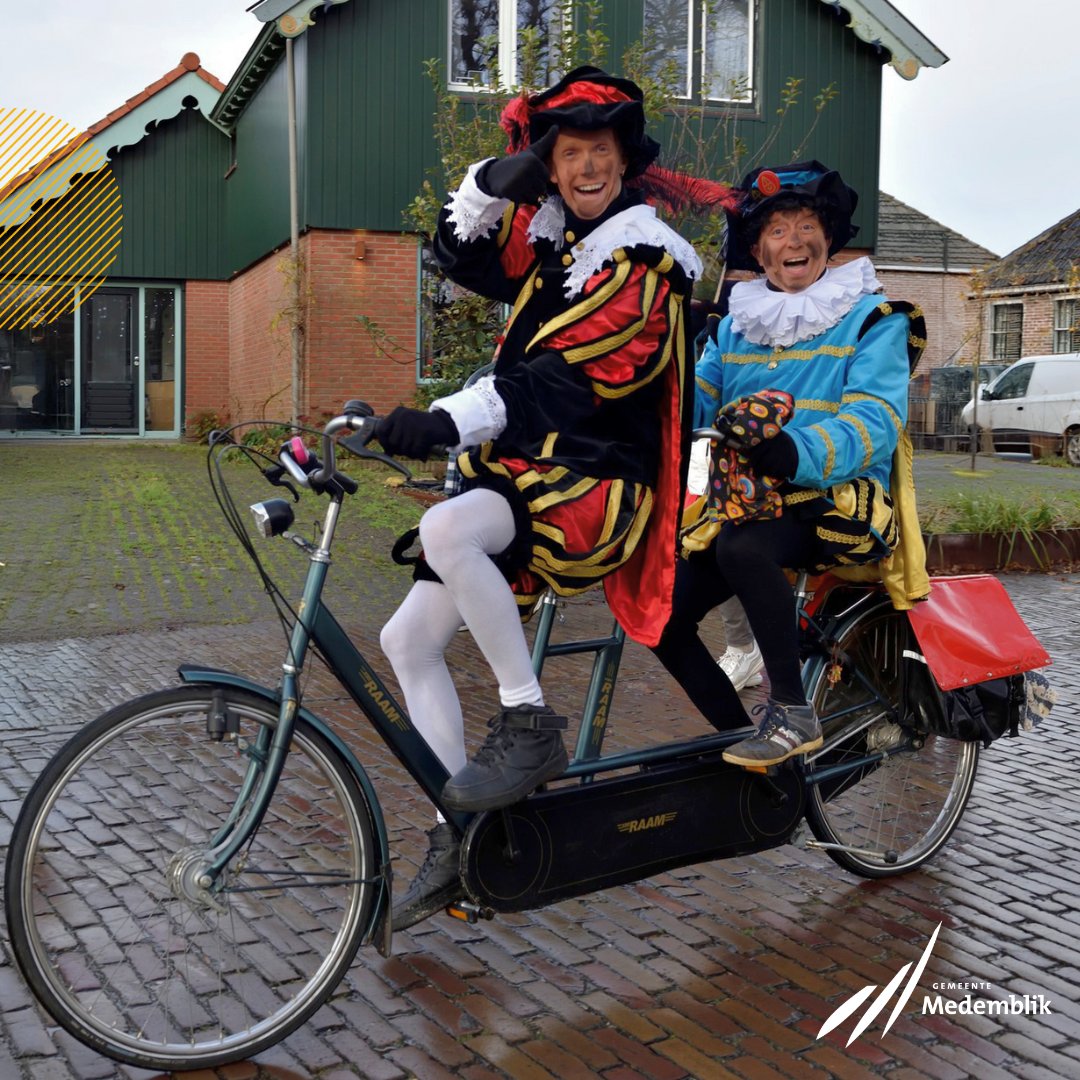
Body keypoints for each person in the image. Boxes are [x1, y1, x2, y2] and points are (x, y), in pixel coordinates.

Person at [377, 67, 704, 929]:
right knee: (406, 640)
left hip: (598, 486)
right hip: (531, 477)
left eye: (600, 150)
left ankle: (529, 721)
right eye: (567, 154)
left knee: (447, 527)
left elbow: (565, 381)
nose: (585, 166)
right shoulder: (559, 246)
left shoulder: (647, 264)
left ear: (623, 164)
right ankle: (466, 833)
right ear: (551, 170)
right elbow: (464, 255)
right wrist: (490, 180)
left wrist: (446, 422)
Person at [653, 160, 928, 768]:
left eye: (807, 224)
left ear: (829, 238)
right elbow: (694, 402)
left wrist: (793, 451)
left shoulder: (875, 319)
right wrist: (665, 356)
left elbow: (877, 421)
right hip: (748, 497)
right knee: (662, 617)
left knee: (742, 549)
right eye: (777, 230)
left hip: (836, 499)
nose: (794, 240)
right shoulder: (737, 328)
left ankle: (791, 711)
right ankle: (745, 746)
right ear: (759, 249)